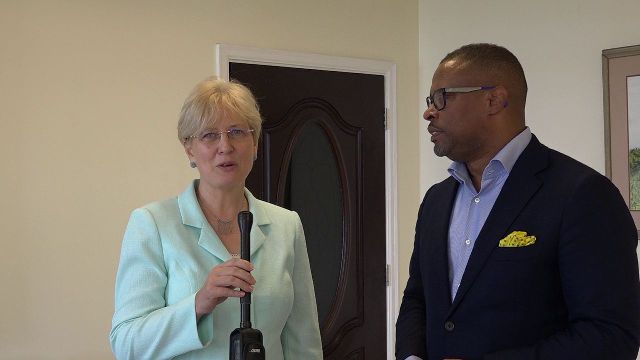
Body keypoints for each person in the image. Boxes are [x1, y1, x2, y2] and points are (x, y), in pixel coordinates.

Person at [396, 43, 640, 359]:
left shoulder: (582, 194)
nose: (429, 112)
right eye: (431, 101)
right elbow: (418, 298)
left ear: (493, 100)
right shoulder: (436, 201)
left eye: (442, 97)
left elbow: (610, 336)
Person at [110, 77, 323, 359]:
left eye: (237, 132)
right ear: (189, 149)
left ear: (255, 143)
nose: (225, 146)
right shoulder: (152, 223)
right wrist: (200, 302)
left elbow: (303, 343)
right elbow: (126, 344)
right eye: (209, 135)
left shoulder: (287, 225)